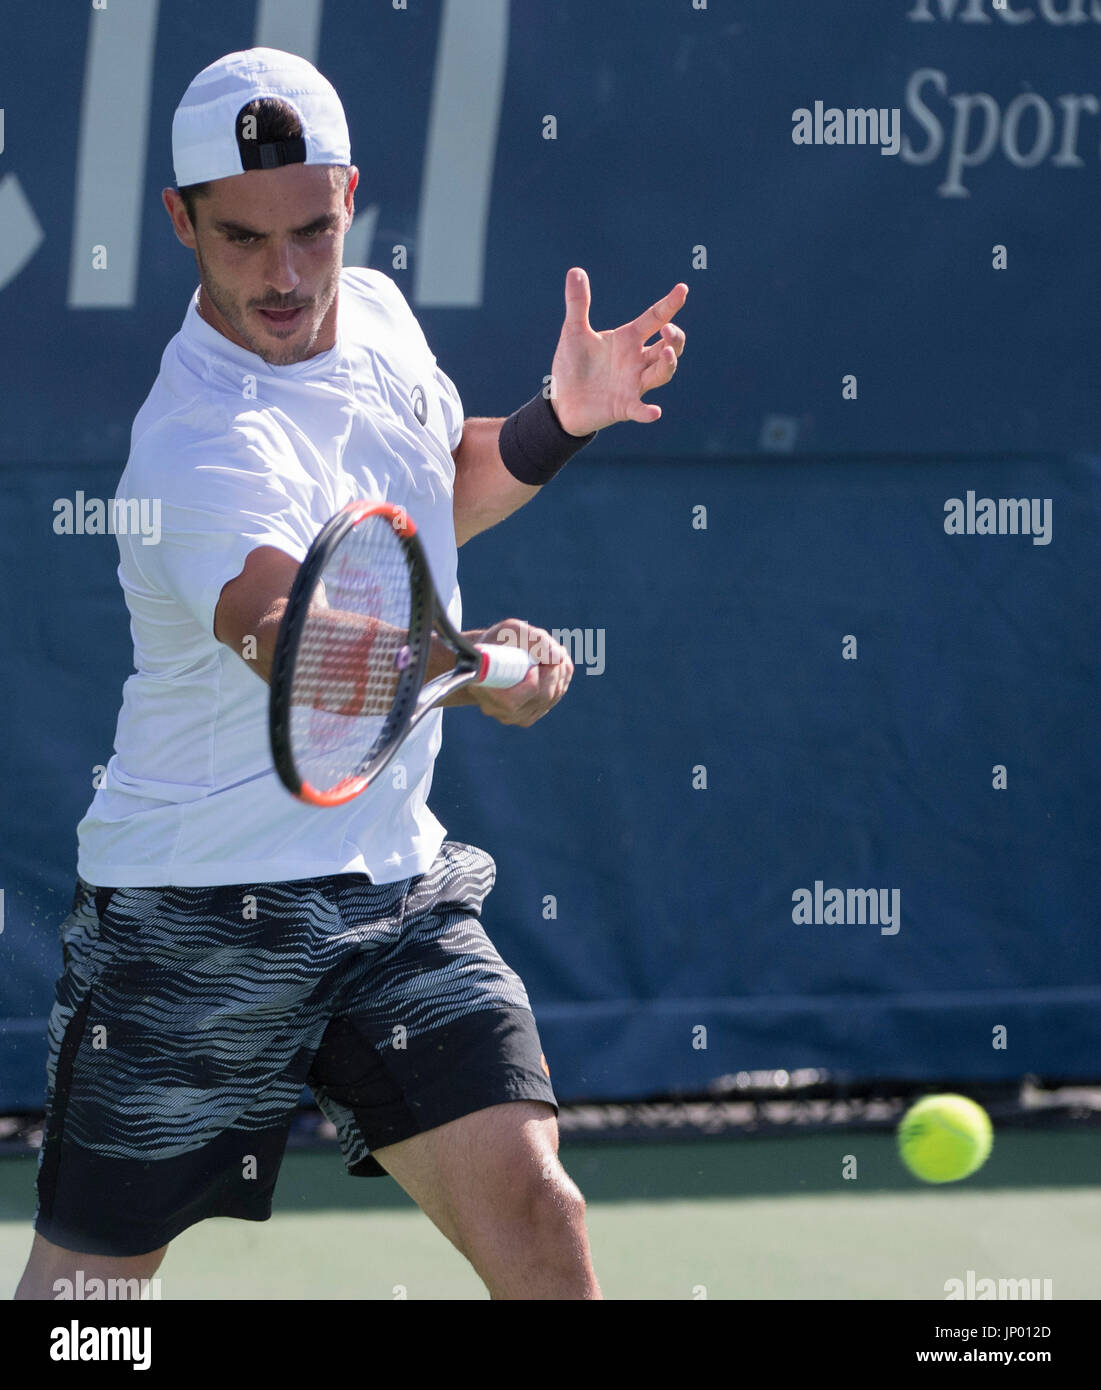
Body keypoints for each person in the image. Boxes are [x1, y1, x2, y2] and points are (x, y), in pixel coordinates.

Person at [17, 48, 686, 1301]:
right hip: (192, 917)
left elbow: (430, 496)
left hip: (390, 894)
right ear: (180, 221)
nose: (285, 276)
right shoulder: (198, 448)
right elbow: (290, 635)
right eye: (243, 238)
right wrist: (474, 666)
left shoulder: (372, 309)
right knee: (90, 1308)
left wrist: (559, 421)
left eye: (314, 232)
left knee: (540, 1214)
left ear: (352, 203)